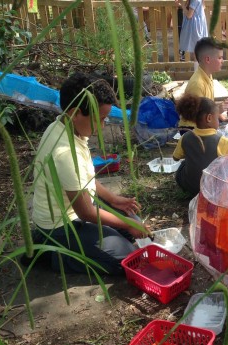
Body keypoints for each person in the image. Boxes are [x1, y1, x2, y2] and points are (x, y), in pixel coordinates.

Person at [30, 72, 149, 275]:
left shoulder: (63, 124)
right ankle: (55, 255)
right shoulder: (64, 153)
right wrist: (127, 226)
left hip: (78, 211)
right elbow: (85, 212)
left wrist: (113, 199)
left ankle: (99, 240)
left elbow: (83, 179)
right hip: (59, 227)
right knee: (127, 259)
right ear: (76, 112)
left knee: (133, 221)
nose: (102, 126)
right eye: (100, 119)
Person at [173, 94, 228, 196]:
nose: (218, 122)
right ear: (209, 118)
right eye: (217, 118)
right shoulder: (223, 142)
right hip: (213, 190)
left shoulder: (185, 137)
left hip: (190, 186)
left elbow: (176, 158)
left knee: (183, 164)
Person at [180, 37, 228, 129]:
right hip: (193, 131)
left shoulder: (208, 75)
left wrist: (222, 118)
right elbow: (200, 118)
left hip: (204, 126)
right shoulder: (197, 84)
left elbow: (208, 105)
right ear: (208, 59)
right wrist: (218, 111)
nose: (223, 61)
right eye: (220, 58)